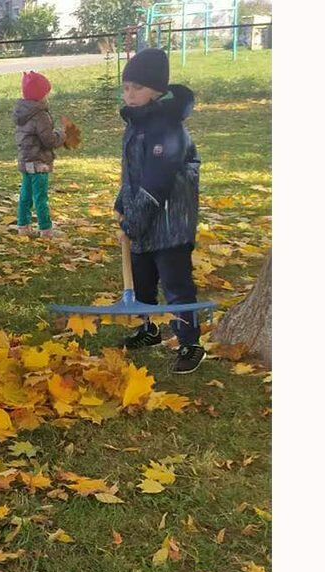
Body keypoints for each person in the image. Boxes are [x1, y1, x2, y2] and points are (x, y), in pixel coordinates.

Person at [114, 48, 206, 374]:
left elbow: (157, 181)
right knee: (142, 282)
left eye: (137, 87)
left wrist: (135, 219)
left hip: (169, 224)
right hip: (143, 220)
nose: (129, 94)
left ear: (157, 90)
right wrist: (122, 205)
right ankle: (149, 328)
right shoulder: (137, 124)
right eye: (126, 87)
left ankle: (189, 342)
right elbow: (133, 173)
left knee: (176, 284)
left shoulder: (167, 129)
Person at [13, 70, 67, 238]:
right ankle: (46, 229)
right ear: (40, 96)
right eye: (46, 94)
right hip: (39, 162)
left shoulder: (23, 113)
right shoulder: (40, 115)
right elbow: (49, 140)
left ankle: (23, 226)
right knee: (40, 197)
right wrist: (62, 135)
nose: (47, 97)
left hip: (26, 161)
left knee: (25, 195)